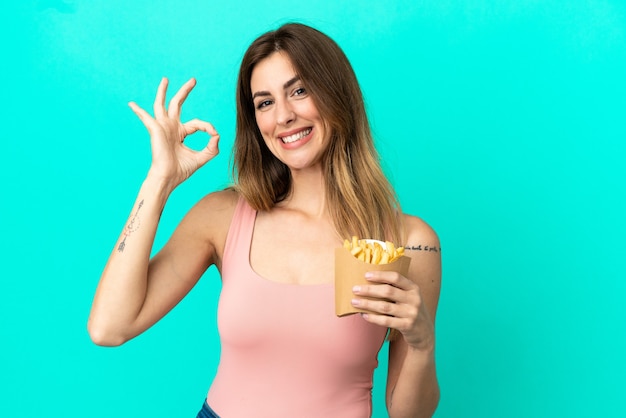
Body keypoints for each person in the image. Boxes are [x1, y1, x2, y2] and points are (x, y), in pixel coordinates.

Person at [88, 23, 441, 418]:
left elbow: (408, 413)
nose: (284, 116)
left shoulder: (408, 240)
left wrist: (422, 342)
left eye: (300, 91)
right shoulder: (223, 215)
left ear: (337, 94)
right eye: (265, 103)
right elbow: (109, 327)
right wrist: (158, 181)